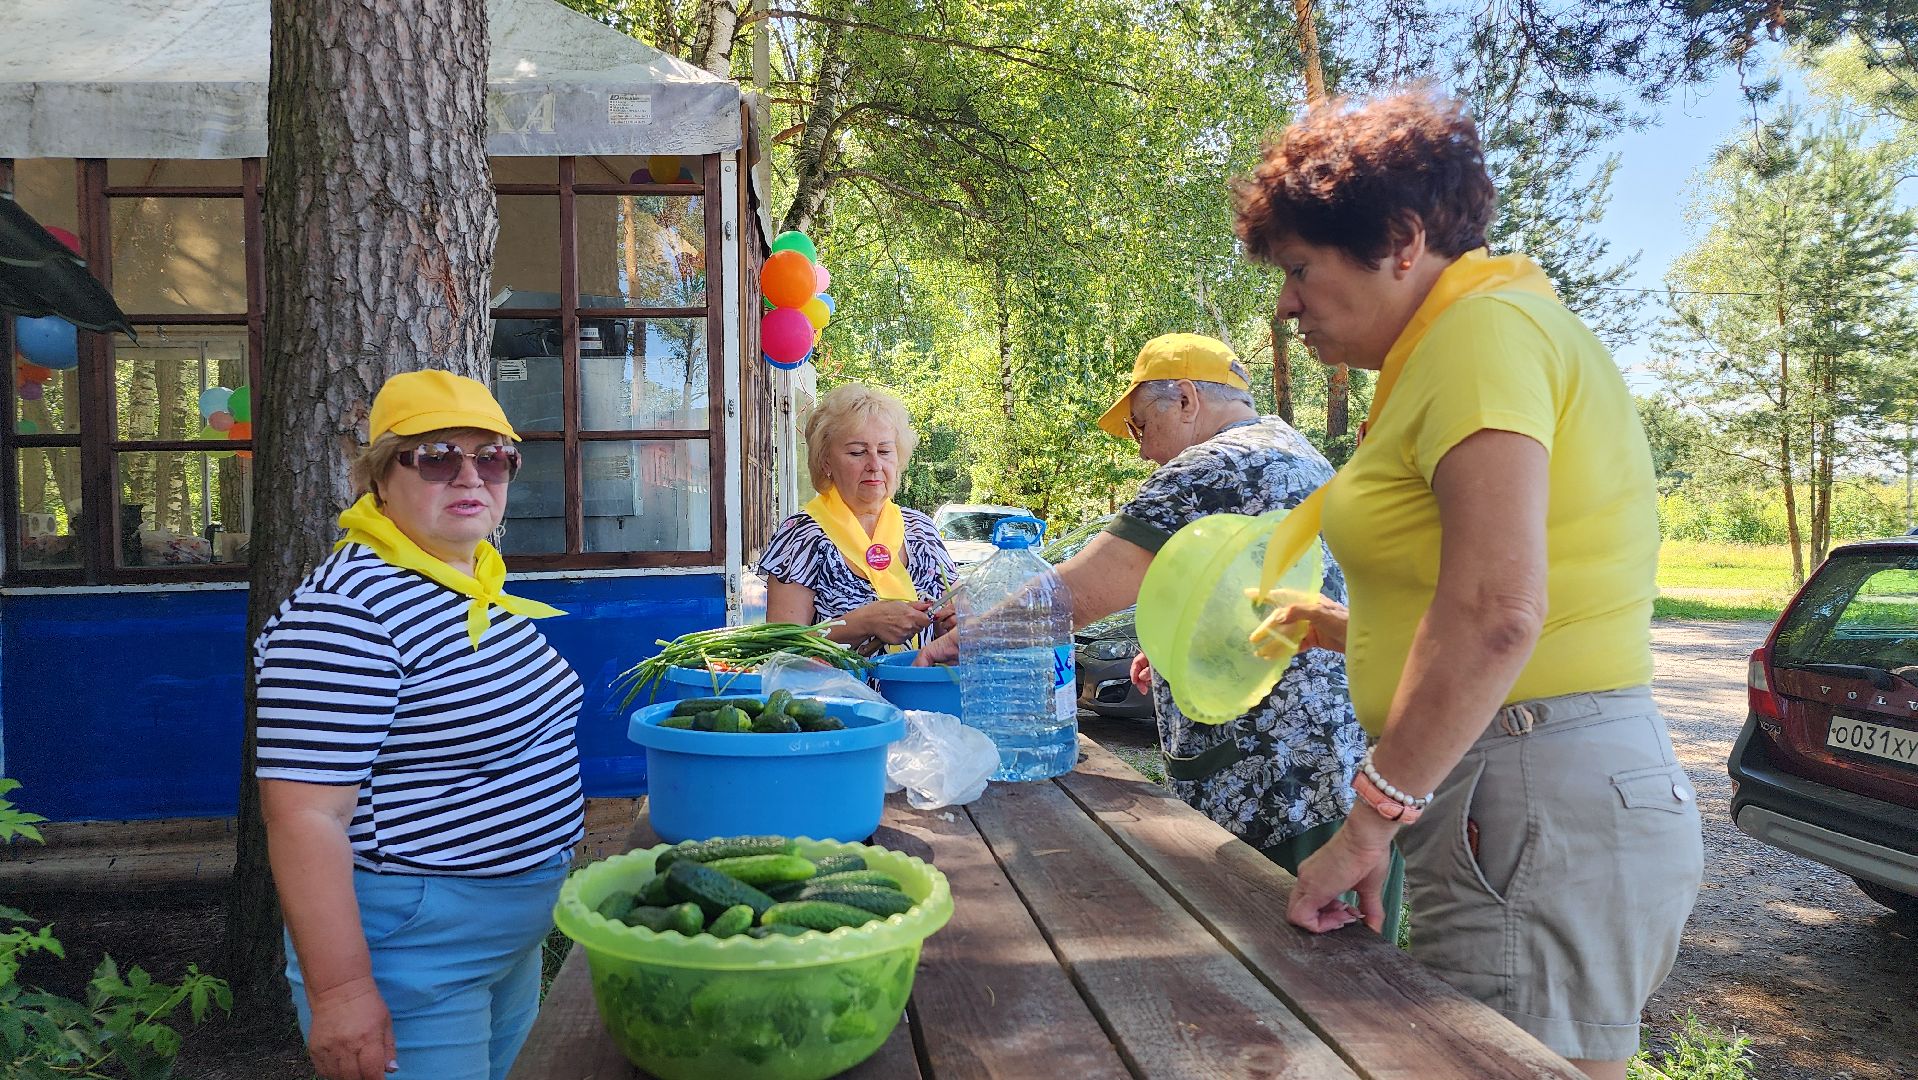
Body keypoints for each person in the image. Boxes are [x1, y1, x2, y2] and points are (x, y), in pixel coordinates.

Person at [1233, 89, 1702, 1080]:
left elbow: (1498, 612)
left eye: (1298, 268)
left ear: (1400, 239)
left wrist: (1365, 827)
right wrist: (1348, 632)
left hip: (1527, 789)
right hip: (1539, 792)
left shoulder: (1477, 337)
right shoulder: (1481, 337)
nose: (1284, 304)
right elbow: (1498, 584)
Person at [919, 335, 1391, 923]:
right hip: (1333, 762)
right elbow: (1250, 582)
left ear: (1187, 399)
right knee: (1343, 968)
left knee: (1268, 955)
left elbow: (1070, 598)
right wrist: (1177, 644)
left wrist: (959, 640)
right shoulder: (1298, 452)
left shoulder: (1207, 467)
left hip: (1263, 777)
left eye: (1142, 427)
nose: (1144, 453)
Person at [256, 370, 582, 1080]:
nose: (471, 475)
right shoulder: (345, 614)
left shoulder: (463, 578)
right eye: (437, 457)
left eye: (492, 457)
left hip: (502, 938)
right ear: (380, 477)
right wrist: (341, 994)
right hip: (415, 950)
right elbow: (304, 817)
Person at [762, 384, 958, 653]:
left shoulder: (921, 530)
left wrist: (952, 624)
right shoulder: (801, 536)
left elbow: (955, 622)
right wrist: (863, 623)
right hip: (838, 694)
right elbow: (781, 650)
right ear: (826, 462)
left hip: (918, 691)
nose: (875, 465)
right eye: (857, 452)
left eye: (885, 451)